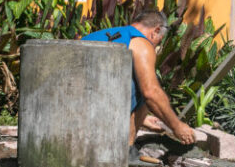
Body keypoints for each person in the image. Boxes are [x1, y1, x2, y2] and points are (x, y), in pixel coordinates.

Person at [82, 10, 195, 159]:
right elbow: (151, 92)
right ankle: (125, 153)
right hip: (95, 116)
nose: (156, 45)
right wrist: (177, 126)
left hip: (73, 109)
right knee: (147, 84)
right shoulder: (141, 42)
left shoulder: (105, 34)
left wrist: (144, 121)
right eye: (159, 41)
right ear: (156, 31)